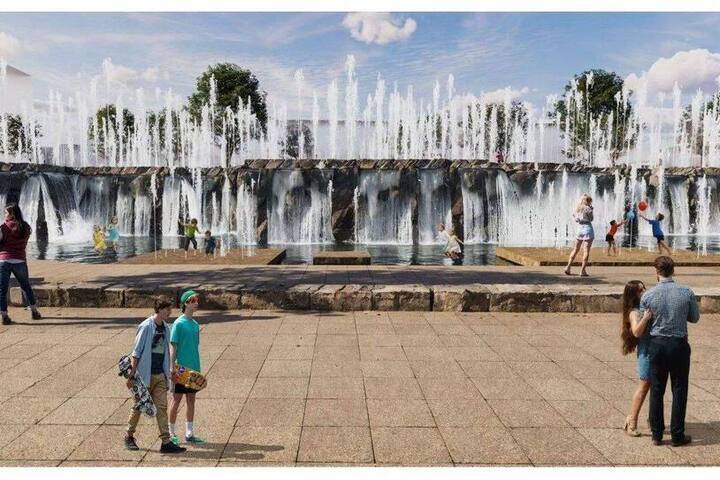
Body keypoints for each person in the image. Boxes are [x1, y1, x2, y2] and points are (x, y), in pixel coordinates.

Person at [640, 256, 699, 446]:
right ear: (673, 271)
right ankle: (677, 434)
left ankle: (657, 434)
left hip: (657, 344)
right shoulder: (686, 292)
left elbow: (644, 323)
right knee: (679, 389)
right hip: (678, 344)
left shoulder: (648, 296)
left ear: (656, 272)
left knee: (657, 389)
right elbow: (694, 318)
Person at [124, 297, 187, 454]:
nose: (170, 312)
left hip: (160, 375)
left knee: (162, 408)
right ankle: (129, 436)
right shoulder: (146, 326)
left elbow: (167, 351)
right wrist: (132, 375)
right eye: (167, 309)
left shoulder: (166, 328)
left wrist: (171, 371)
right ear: (159, 309)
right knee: (138, 406)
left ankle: (166, 442)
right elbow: (136, 352)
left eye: (170, 309)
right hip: (144, 375)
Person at [169, 290, 206, 445]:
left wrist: (198, 369)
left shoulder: (195, 325)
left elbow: (195, 347)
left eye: (196, 300)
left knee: (191, 399)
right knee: (176, 400)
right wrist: (172, 367)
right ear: (185, 303)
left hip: (193, 368)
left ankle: (189, 433)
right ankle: (170, 433)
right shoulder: (178, 324)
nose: (196, 303)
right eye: (192, 301)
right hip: (180, 369)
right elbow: (173, 347)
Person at [0, 204, 42, 325]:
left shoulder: (3, 227)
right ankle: (34, 312)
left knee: (2, 290)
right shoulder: (25, 226)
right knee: (26, 286)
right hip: (19, 260)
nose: (4, 215)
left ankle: (4, 316)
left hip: (4, 261)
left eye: (6, 213)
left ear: (12, 214)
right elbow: (24, 243)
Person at [621, 280, 653, 437]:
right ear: (634, 295)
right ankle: (631, 421)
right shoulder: (634, 312)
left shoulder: (645, 307)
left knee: (655, 387)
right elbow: (636, 332)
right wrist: (645, 318)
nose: (645, 291)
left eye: (644, 288)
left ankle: (652, 419)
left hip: (655, 350)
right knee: (644, 386)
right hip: (646, 353)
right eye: (641, 290)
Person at [564, 194, 594, 276]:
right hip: (587, 228)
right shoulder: (588, 208)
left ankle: (568, 267)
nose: (591, 203)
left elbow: (576, 219)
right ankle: (582, 271)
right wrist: (591, 210)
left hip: (580, 229)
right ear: (588, 201)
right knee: (586, 251)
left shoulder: (578, 208)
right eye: (590, 201)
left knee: (575, 249)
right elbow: (591, 219)